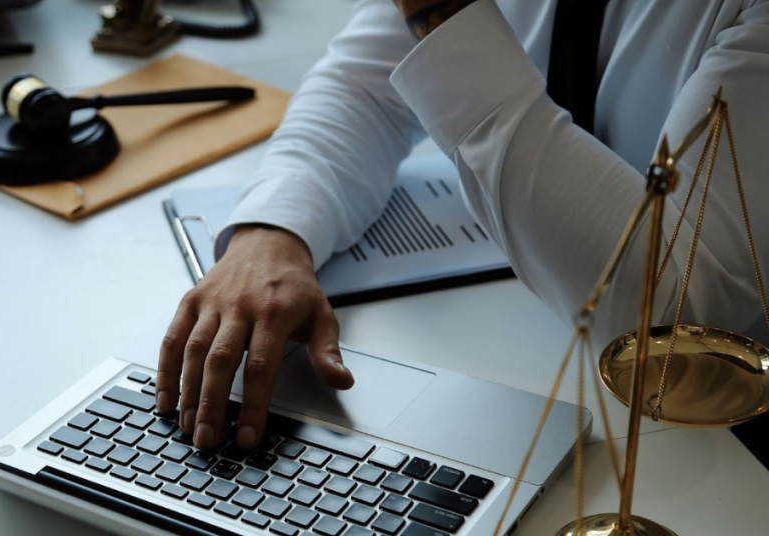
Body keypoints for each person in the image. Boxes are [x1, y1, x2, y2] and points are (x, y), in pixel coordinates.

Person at [156, 0, 769, 451]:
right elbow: (364, 86)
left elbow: (674, 323)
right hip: (543, 379)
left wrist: (442, 16)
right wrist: (273, 236)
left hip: (712, 449)